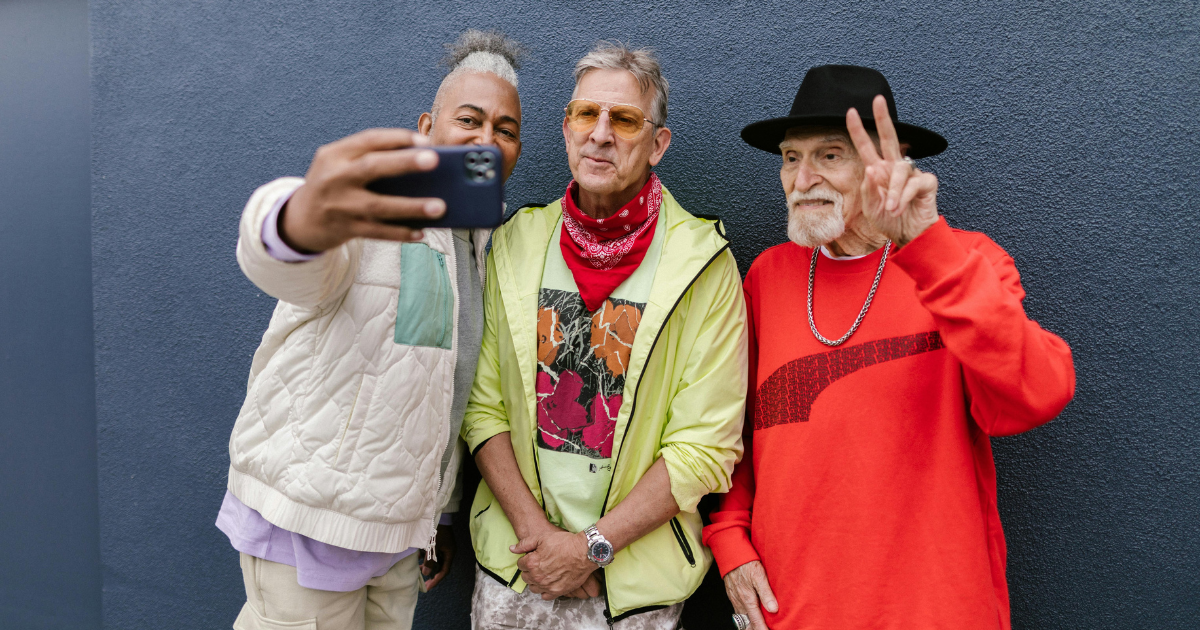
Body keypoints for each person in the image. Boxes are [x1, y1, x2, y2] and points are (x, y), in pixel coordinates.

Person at [702, 65, 1076, 630]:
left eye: (830, 155)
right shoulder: (768, 276)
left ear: (892, 162)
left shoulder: (965, 262)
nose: (801, 179)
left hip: (933, 610)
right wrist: (730, 538)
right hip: (794, 609)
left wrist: (925, 247)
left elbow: (1039, 394)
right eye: (790, 157)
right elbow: (737, 431)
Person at [215, 30, 525, 630]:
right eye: (469, 118)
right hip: (308, 529)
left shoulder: (490, 243)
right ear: (428, 126)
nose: (486, 139)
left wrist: (438, 514)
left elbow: (445, 391)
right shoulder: (374, 205)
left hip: (397, 544)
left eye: (506, 129)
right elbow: (290, 260)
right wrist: (293, 218)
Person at [460, 42, 749, 630]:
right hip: (519, 564)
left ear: (657, 143)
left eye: (623, 119)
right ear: (566, 128)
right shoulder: (514, 244)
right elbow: (481, 406)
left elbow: (705, 448)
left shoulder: (704, 265)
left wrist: (590, 547)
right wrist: (541, 541)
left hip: (633, 587)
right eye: (586, 114)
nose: (600, 134)